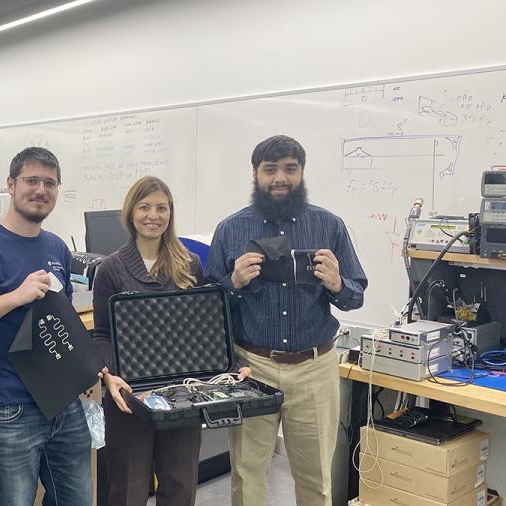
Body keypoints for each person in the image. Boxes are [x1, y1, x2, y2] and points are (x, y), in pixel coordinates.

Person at [205, 135, 368, 506]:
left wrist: (337, 283)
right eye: (271, 169)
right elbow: (209, 304)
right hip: (252, 367)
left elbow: (355, 295)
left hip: (315, 368)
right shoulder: (231, 229)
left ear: (302, 173)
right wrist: (233, 282)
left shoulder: (330, 226)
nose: (280, 178)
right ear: (255, 174)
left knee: (316, 480)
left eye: (290, 169)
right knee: (248, 476)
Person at [0, 146, 92, 506]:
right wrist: (15, 297)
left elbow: (62, 317)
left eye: (50, 183)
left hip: (62, 401)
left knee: (77, 500)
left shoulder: (56, 247)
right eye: (32, 180)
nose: (41, 190)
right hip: (7, 407)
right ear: (10, 184)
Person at [92, 176, 249, 505]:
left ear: (170, 213)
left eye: (162, 208)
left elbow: (205, 325)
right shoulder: (111, 269)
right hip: (130, 397)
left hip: (181, 394)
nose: (153, 215)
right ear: (131, 213)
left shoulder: (189, 263)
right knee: (128, 490)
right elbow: (103, 334)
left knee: (179, 486)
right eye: (145, 207)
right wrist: (109, 376)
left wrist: (234, 365)